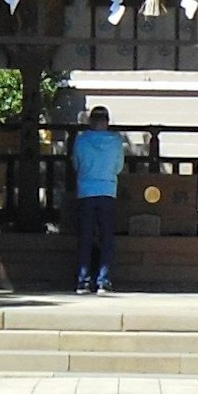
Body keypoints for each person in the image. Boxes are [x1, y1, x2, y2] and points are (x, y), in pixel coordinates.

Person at [71, 105, 130, 294]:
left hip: (86, 191)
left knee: (85, 237)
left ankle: (83, 280)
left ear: (90, 121)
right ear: (107, 122)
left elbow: (76, 164)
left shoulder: (81, 141)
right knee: (106, 238)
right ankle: (103, 280)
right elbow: (119, 167)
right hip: (107, 190)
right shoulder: (115, 141)